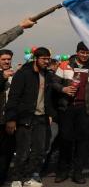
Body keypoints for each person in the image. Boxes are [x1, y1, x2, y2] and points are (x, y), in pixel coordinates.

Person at [51, 42, 89, 184]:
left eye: (87, 53)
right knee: (65, 139)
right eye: (82, 52)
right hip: (67, 108)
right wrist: (64, 89)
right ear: (77, 52)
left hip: (85, 109)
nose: (85, 55)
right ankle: (63, 171)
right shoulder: (64, 64)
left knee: (82, 141)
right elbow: (54, 82)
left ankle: (78, 172)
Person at [4, 47, 56, 187]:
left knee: (39, 150)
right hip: (24, 117)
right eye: (44, 59)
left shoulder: (48, 75)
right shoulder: (23, 74)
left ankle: (29, 176)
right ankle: (16, 178)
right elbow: (13, 97)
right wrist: (11, 119)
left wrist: (50, 114)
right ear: (35, 58)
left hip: (41, 117)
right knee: (23, 151)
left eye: (48, 59)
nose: (46, 61)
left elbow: (49, 97)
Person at [0, 49, 16, 185]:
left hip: (9, 119)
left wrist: (12, 119)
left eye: (8, 59)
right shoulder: (3, 75)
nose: (7, 61)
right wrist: (2, 77)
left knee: (7, 151)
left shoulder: (14, 75)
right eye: (3, 59)